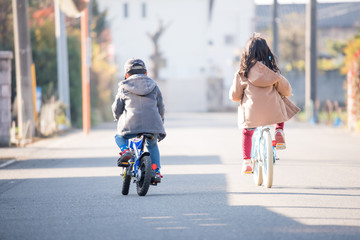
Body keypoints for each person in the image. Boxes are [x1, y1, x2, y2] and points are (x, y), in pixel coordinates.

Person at [229, 33, 299, 174]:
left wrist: (239, 97)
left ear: (247, 54)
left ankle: (247, 161)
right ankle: (279, 130)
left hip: (252, 114)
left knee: (247, 133)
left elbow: (235, 95)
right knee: (282, 101)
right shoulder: (273, 72)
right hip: (273, 112)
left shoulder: (242, 73)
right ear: (266, 52)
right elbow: (285, 90)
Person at [112, 58, 166, 178]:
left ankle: (125, 151)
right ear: (146, 73)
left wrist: (117, 116)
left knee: (119, 136)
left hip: (131, 125)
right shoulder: (154, 86)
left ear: (126, 75)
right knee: (152, 145)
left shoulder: (124, 87)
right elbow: (161, 106)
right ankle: (156, 171)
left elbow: (117, 108)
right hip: (153, 125)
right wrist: (161, 120)